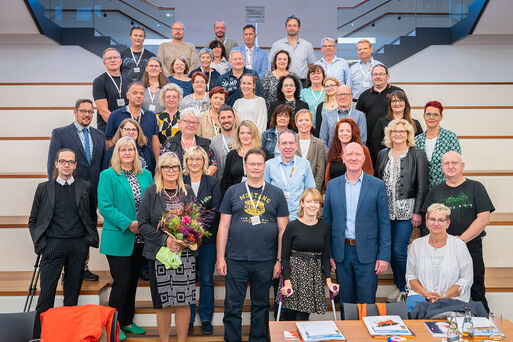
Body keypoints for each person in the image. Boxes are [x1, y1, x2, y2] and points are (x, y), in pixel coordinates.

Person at [216, 148, 289, 342]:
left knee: (261, 306)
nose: (255, 167)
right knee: (232, 306)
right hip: (236, 259)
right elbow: (223, 226)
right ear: (245, 166)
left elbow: (283, 230)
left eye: (259, 164)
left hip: (266, 260)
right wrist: (220, 257)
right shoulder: (233, 191)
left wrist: (279, 260)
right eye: (252, 164)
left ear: (265, 166)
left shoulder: (276, 193)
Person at [29, 148, 99, 336]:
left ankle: (66, 334)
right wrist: (42, 244)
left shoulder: (85, 187)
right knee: (46, 295)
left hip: (78, 247)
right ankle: (39, 336)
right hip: (52, 245)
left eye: (70, 162)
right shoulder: (44, 188)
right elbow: (33, 221)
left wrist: (85, 242)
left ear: (75, 165)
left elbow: (91, 216)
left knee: (72, 295)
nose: (66, 164)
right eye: (63, 161)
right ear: (56, 163)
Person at [421, 151, 495, 312]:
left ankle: (485, 322)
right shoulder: (434, 192)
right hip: (441, 250)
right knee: (443, 289)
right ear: (442, 167)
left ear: (462, 166)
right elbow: (429, 220)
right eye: (446, 163)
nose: (450, 166)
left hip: (471, 246)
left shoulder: (476, 187)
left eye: (454, 163)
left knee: (476, 288)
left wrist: (460, 241)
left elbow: (483, 218)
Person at [97, 137, 154, 341]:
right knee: (122, 281)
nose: (127, 153)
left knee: (132, 282)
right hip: (119, 237)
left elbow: (152, 202)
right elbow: (105, 206)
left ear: (135, 153)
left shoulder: (146, 175)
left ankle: (127, 321)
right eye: (123, 149)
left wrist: (145, 224)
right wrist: (129, 223)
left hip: (141, 238)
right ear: (117, 153)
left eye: (131, 149)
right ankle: (113, 326)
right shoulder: (108, 175)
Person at [324, 142, 391, 310]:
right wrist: (329, 254)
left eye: (357, 155)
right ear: (343, 158)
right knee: (346, 304)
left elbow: (384, 222)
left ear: (364, 158)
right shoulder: (332, 186)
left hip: (368, 254)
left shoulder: (377, 185)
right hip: (341, 253)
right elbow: (327, 222)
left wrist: (384, 255)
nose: (353, 158)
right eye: (350, 154)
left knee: (367, 303)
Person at [138, 153, 196, 342]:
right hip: (159, 255)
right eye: (166, 167)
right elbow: (143, 224)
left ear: (180, 170)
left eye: (174, 167)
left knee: (184, 303)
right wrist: (166, 240)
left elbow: (197, 223)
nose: (170, 171)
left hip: (184, 254)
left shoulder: (187, 191)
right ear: (160, 170)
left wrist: (186, 238)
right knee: (162, 304)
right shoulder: (151, 192)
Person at [47, 99, 105, 282]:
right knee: (68, 229)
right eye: (83, 111)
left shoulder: (99, 135)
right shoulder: (61, 133)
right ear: (75, 112)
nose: (87, 114)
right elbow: (52, 164)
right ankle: (67, 271)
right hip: (68, 191)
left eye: (90, 112)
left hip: (91, 192)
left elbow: (102, 165)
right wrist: (55, 189)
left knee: (87, 228)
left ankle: (82, 266)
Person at [375, 119, 428, 302]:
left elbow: (423, 184)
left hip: (407, 210)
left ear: (408, 135)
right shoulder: (382, 154)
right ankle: (401, 287)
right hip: (385, 211)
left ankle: (408, 288)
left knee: (399, 250)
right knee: (388, 250)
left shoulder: (417, 155)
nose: (398, 134)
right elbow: (376, 182)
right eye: (395, 131)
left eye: (402, 131)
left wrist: (418, 212)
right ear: (390, 134)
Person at [279, 188, 338, 321]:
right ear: (302, 203)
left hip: (313, 275)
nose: (312, 205)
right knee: (291, 317)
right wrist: (287, 281)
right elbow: (285, 258)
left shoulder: (325, 228)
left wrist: (328, 280)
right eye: (309, 201)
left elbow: (325, 257)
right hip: (294, 275)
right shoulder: (292, 226)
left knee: (302, 317)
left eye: (316, 202)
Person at [405, 203, 473, 312]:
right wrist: (426, 294)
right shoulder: (416, 245)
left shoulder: (459, 245)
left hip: (451, 298)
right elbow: (410, 276)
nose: (436, 223)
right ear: (426, 222)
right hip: (422, 297)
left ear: (448, 223)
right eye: (432, 219)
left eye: (441, 220)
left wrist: (443, 297)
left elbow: (466, 279)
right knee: (414, 308)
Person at [182, 146, 222, 335]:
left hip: (207, 240)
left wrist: (199, 231)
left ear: (204, 162)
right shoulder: (181, 181)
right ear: (186, 162)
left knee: (206, 279)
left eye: (198, 159)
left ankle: (206, 318)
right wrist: (188, 233)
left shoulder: (212, 182)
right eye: (191, 159)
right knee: (188, 280)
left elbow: (215, 208)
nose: (195, 162)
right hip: (185, 240)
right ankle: (187, 319)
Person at [264, 129, 316, 221]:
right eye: (284, 143)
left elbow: (310, 192)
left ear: (296, 146)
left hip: (299, 217)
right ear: (278, 147)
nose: (288, 147)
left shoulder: (305, 164)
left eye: (291, 143)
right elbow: (264, 192)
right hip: (275, 217)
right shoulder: (269, 165)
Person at [356, 64, 403, 163]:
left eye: (381, 74)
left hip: (394, 140)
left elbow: (404, 113)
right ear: (372, 77)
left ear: (387, 76)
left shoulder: (397, 92)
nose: (378, 76)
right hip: (370, 142)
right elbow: (358, 119)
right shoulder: (364, 96)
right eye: (375, 74)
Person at [105, 81, 160, 161]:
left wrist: (157, 161)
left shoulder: (151, 116)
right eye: (135, 93)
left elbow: (155, 140)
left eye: (141, 93)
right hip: (122, 161)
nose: (139, 96)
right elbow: (109, 140)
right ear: (127, 95)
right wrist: (117, 158)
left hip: (145, 162)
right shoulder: (115, 115)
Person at [415, 100, 461, 188]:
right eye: (428, 114)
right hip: (423, 190)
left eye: (435, 114)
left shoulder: (450, 137)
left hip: (446, 188)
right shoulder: (416, 140)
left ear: (441, 117)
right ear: (424, 116)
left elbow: (456, 165)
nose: (431, 117)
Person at [162, 108, 217, 176]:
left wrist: (201, 179)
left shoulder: (205, 143)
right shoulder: (170, 143)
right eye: (187, 121)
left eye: (194, 122)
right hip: (175, 183)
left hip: (200, 183)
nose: (191, 125)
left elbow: (213, 165)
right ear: (181, 123)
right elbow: (162, 164)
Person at [221, 120, 271, 194]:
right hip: (236, 195)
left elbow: (269, 176)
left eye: (249, 133)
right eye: (242, 133)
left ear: (254, 135)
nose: (245, 136)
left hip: (259, 194)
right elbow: (225, 181)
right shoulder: (232, 155)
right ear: (238, 135)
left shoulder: (263, 153)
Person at [324, 118, 373, 192]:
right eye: (341, 131)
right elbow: (328, 176)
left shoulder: (362, 150)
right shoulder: (332, 151)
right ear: (337, 134)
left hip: (357, 192)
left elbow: (369, 175)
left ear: (353, 133)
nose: (344, 133)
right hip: (335, 192)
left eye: (348, 131)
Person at [372, 90, 423, 159]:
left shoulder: (415, 123)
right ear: (390, 104)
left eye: (400, 100)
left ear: (406, 103)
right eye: (394, 101)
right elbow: (376, 146)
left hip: (411, 162)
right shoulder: (381, 122)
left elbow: (420, 145)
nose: (397, 104)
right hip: (387, 161)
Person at [268, 15, 316, 83]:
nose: (292, 28)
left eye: (294, 26)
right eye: (289, 26)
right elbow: (272, 66)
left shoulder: (307, 45)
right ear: (286, 28)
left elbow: (311, 66)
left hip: (302, 82)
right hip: (281, 82)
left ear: (299, 28)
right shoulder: (277, 45)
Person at [319, 85, 367, 150]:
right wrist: (331, 157)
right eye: (340, 94)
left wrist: (351, 156)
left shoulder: (360, 116)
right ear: (336, 97)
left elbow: (362, 141)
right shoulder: (327, 116)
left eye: (346, 94)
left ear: (351, 97)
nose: (343, 97)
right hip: (332, 157)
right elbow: (323, 142)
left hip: (353, 157)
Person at [93, 47, 129, 132]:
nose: (113, 60)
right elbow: (103, 111)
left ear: (120, 61)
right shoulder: (99, 82)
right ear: (104, 63)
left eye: (115, 57)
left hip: (128, 129)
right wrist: (121, 128)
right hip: (108, 129)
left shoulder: (129, 81)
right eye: (109, 58)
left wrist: (128, 127)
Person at [294, 109, 326, 191]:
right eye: (300, 120)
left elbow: (320, 171)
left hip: (312, 188)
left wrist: (314, 191)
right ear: (296, 123)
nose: (304, 123)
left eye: (307, 120)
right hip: (293, 189)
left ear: (311, 123)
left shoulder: (319, 144)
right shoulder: (290, 142)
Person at [210, 104, 236, 182]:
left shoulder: (242, 139)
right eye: (223, 118)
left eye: (229, 117)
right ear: (218, 120)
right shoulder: (212, 142)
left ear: (235, 118)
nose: (226, 120)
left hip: (239, 185)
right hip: (220, 185)